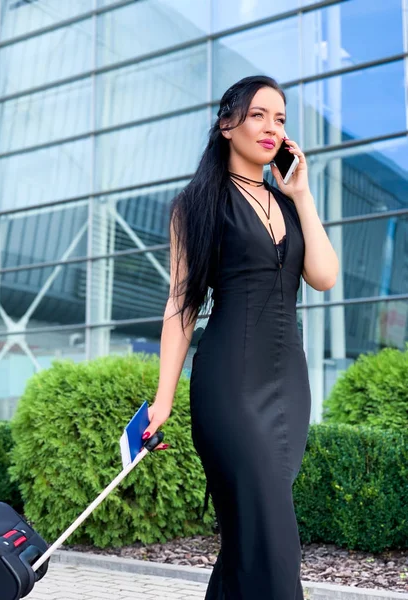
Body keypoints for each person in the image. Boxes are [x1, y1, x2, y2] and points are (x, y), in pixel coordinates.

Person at [141, 75, 339, 599]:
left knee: (250, 536)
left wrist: (302, 193)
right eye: (259, 115)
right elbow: (181, 305)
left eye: (281, 119)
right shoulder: (197, 203)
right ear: (227, 124)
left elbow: (324, 277)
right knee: (272, 537)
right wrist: (164, 399)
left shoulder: (289, 202)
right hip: (228, 384)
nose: (272, 127)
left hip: (288, 388)